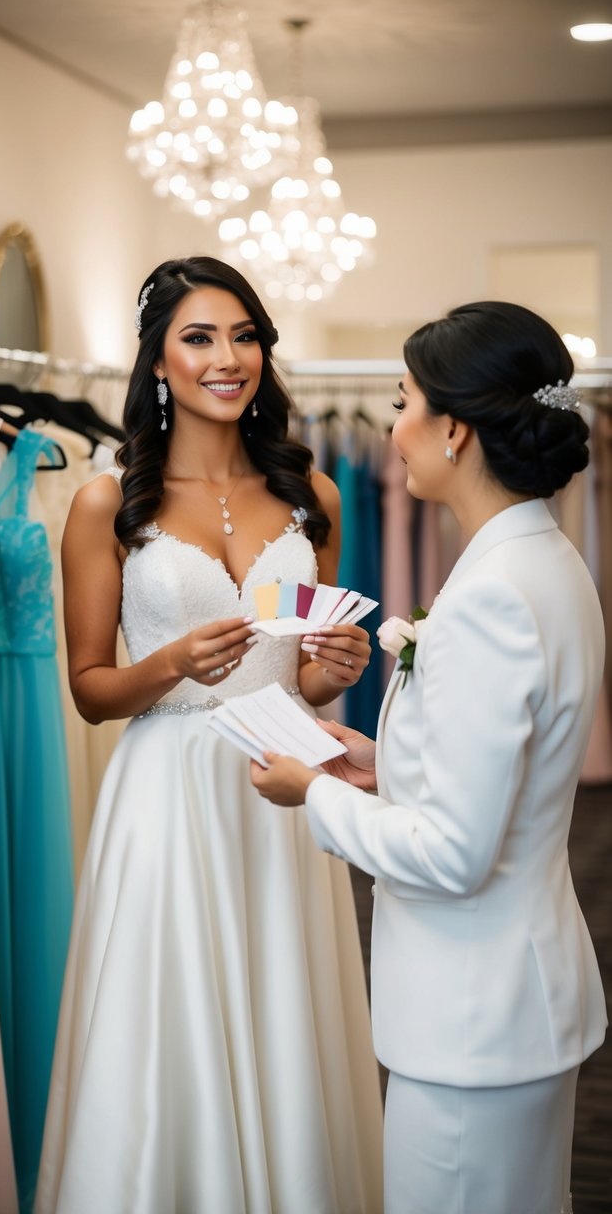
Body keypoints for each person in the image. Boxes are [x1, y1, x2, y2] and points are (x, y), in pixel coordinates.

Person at [34, 256, 384, 1213]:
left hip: (281, 782)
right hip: (166, 791)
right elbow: (92, 691)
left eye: (243, 336)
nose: (226, 358)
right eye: (199, 338)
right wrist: (173, 664)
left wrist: (331, 672)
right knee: (166, 1023)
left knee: (285, 1014)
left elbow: (302, 671)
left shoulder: (313, 491)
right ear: (157, 361)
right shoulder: (108, 502)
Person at [250, 301, 607, 1214]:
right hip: (511, 1002)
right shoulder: (546, 562)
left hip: (469, 1023)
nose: (393, 429)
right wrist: (379, 764)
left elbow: (454, 852)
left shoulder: (490, 596)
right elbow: (500, 776)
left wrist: (313, 796)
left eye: (403, 402)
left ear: (453, 429)